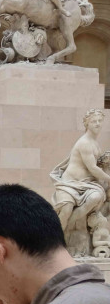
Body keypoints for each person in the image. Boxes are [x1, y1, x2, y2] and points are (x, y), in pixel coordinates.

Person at [50, 109, 110, 257]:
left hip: (87, 184)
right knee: (66, 208)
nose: (97, 124)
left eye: (99, 121)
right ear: (87, 124)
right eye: (93, 121)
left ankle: (71, 225)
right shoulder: (85, 143)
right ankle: (53, 243)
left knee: (96, 197)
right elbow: (93, 168)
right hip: (69, 184)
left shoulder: (95, 143)